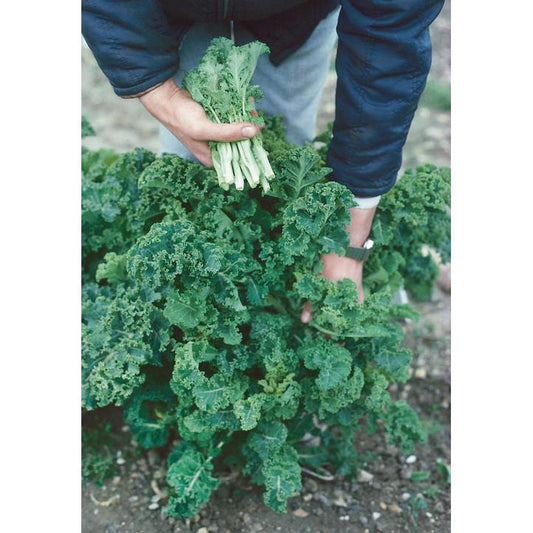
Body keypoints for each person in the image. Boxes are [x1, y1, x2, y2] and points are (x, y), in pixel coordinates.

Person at [82, 0, 444, 315]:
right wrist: (158, 90)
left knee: (289, 166)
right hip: (169, 14)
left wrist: (349, 244)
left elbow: (390, 36)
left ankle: (293, 297)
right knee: (191, 190)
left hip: (291, 18)